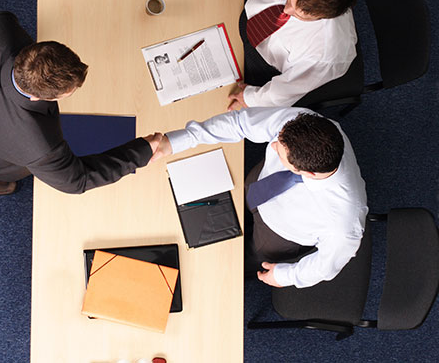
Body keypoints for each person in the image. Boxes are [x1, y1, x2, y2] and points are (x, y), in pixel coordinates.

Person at [0, 11, 161, 195]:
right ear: (39, 97)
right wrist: (142, 151)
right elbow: (78, 181)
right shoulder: (38, 145)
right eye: (67, 94)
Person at [151, 107, 368, 288]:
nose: (272, 146)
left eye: (281, 152)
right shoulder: (305, 124)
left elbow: (325, 266)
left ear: (307, 173)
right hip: (260, 182)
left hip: (277, 234)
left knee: (235, 257)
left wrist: (286, 276)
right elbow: (239, 123)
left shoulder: (344, 223)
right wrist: (177, 141)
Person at [210, 0, 357, 110]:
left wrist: (250, 99)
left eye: (299, 15)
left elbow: (285, 90)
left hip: (266, 64)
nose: (286, 10)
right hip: (252, 16)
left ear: (322, 18)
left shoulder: (325, 57)